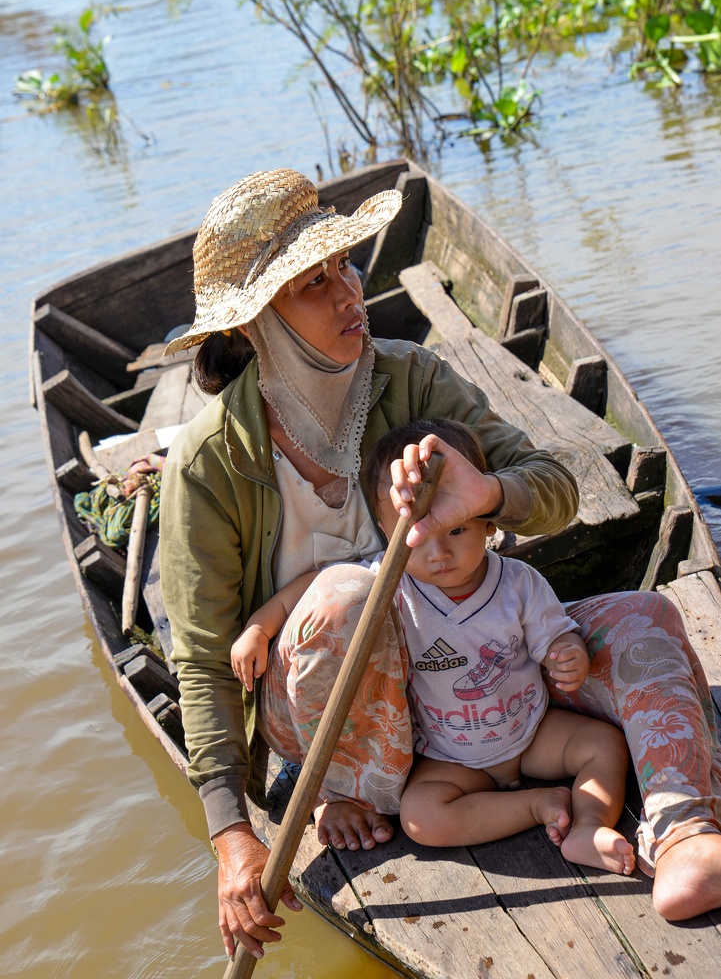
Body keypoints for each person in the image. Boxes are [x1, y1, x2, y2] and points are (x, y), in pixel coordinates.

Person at [159, 167, 721, 961]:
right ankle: (346, 794)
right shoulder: (208, 463)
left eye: (344, 266)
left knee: (646, 617)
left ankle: (684, 830)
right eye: (310, 285)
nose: (347, 291)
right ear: (255, 325)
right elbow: (202, 665)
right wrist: (231, 838)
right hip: (344, 719)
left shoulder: (410, 376)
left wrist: (487, 492)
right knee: (346, 598)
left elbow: (558, 483)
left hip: (478, 676)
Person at [231, 418, 636, 875]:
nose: (439, 551)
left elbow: (554, 634)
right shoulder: (391, 584)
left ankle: (588, 824)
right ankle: (539, 805)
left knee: (604, 744)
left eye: (457, 530)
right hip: (450, 754)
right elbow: (310, 587)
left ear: (487, 524)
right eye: (418, 533)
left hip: (531, 731)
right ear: (389, 533)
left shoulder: (518, 583)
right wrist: (260, 628)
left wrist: (568, 655)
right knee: (421, 819)